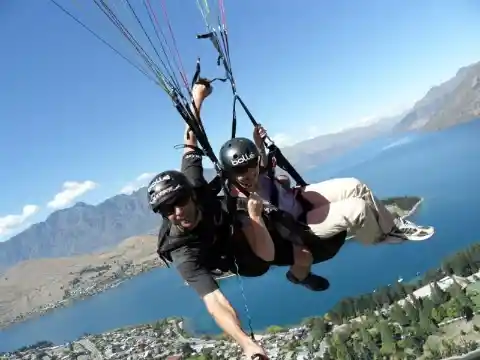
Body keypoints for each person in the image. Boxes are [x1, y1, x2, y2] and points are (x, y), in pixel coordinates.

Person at [148, 82, 334, 359]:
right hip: (233, 254)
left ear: (190, 194)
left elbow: (191, 139)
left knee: (260, 212)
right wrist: (245, 342)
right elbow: (215, 302)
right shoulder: (182, 252)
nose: (176, 212)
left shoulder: (195, 184)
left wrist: (197, 99)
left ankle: (299, 259)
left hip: (232, 219)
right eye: (166, 210)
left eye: (179, 202)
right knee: (258, 251)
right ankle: (279, 247)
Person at [218, 126, 435, 286]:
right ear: (229, 173)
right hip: (300, 224)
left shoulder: (258, 169)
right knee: (356, 209)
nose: (248, 174)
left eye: (250, 166)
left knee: (356, 186)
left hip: (300, 198)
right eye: (240, 171)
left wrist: (259, 143)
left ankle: (391, 227)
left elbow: (262, 163)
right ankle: (376, 238)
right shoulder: (240, 202)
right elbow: (259, 247)